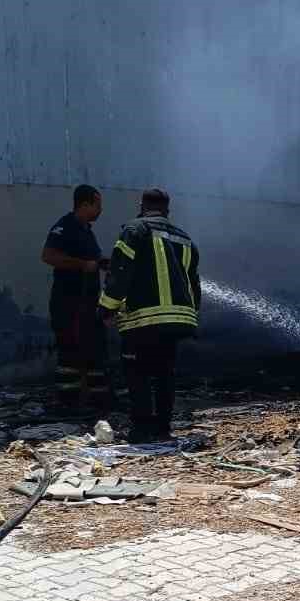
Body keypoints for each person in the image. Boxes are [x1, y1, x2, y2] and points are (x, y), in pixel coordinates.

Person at [98, 189, 200, 443]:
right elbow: (193, 283)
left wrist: (106, 308)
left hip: (143, 320)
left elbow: (120, 272)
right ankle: (163, 429)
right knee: (164, 373)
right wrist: (190, 313)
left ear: (141, 205)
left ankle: (142, 430)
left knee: (138, 373)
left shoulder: (135, 230)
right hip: (176, 320)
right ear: (167, 210)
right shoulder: (184, 238)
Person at [41, 184, 110, 413]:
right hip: (68, 301)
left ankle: (99, 401)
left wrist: (103, 264)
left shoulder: (86, 230)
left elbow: (91, 260)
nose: (101, 210)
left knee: (94, 348)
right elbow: (49, 256)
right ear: (85, 203)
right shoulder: (65, 226)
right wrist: (83, 265)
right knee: (70, 350)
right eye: (98, 205)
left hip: (89, 302)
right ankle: (69, 402)